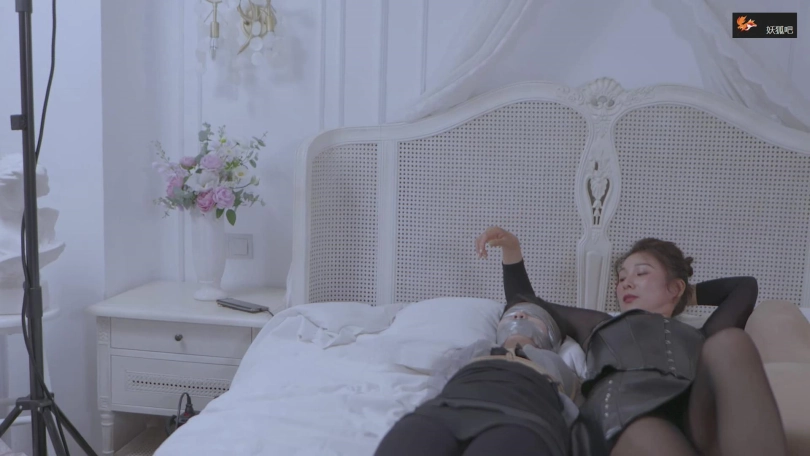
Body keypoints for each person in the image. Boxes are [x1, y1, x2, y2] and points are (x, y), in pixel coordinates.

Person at [475, 226, 788, 456]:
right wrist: (512, 251)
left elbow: (744, 287)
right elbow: (524, 300)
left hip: (695, 411)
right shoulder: (599, 324)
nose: (626, 283)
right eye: (622, 277)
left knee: (730, 342)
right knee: (647, 433)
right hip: (628, 413)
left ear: (675, 287)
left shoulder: (702, 335)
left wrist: (680, 294)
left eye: (641, 273)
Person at [374, 289, 606, 456]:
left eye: (533, 316)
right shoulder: (473, 350)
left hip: (523, 417)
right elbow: (439, 384)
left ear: (553, 336)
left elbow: (574, 409)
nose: (519, 316)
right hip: (446, 409)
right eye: (511, 315)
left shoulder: (559, 363)